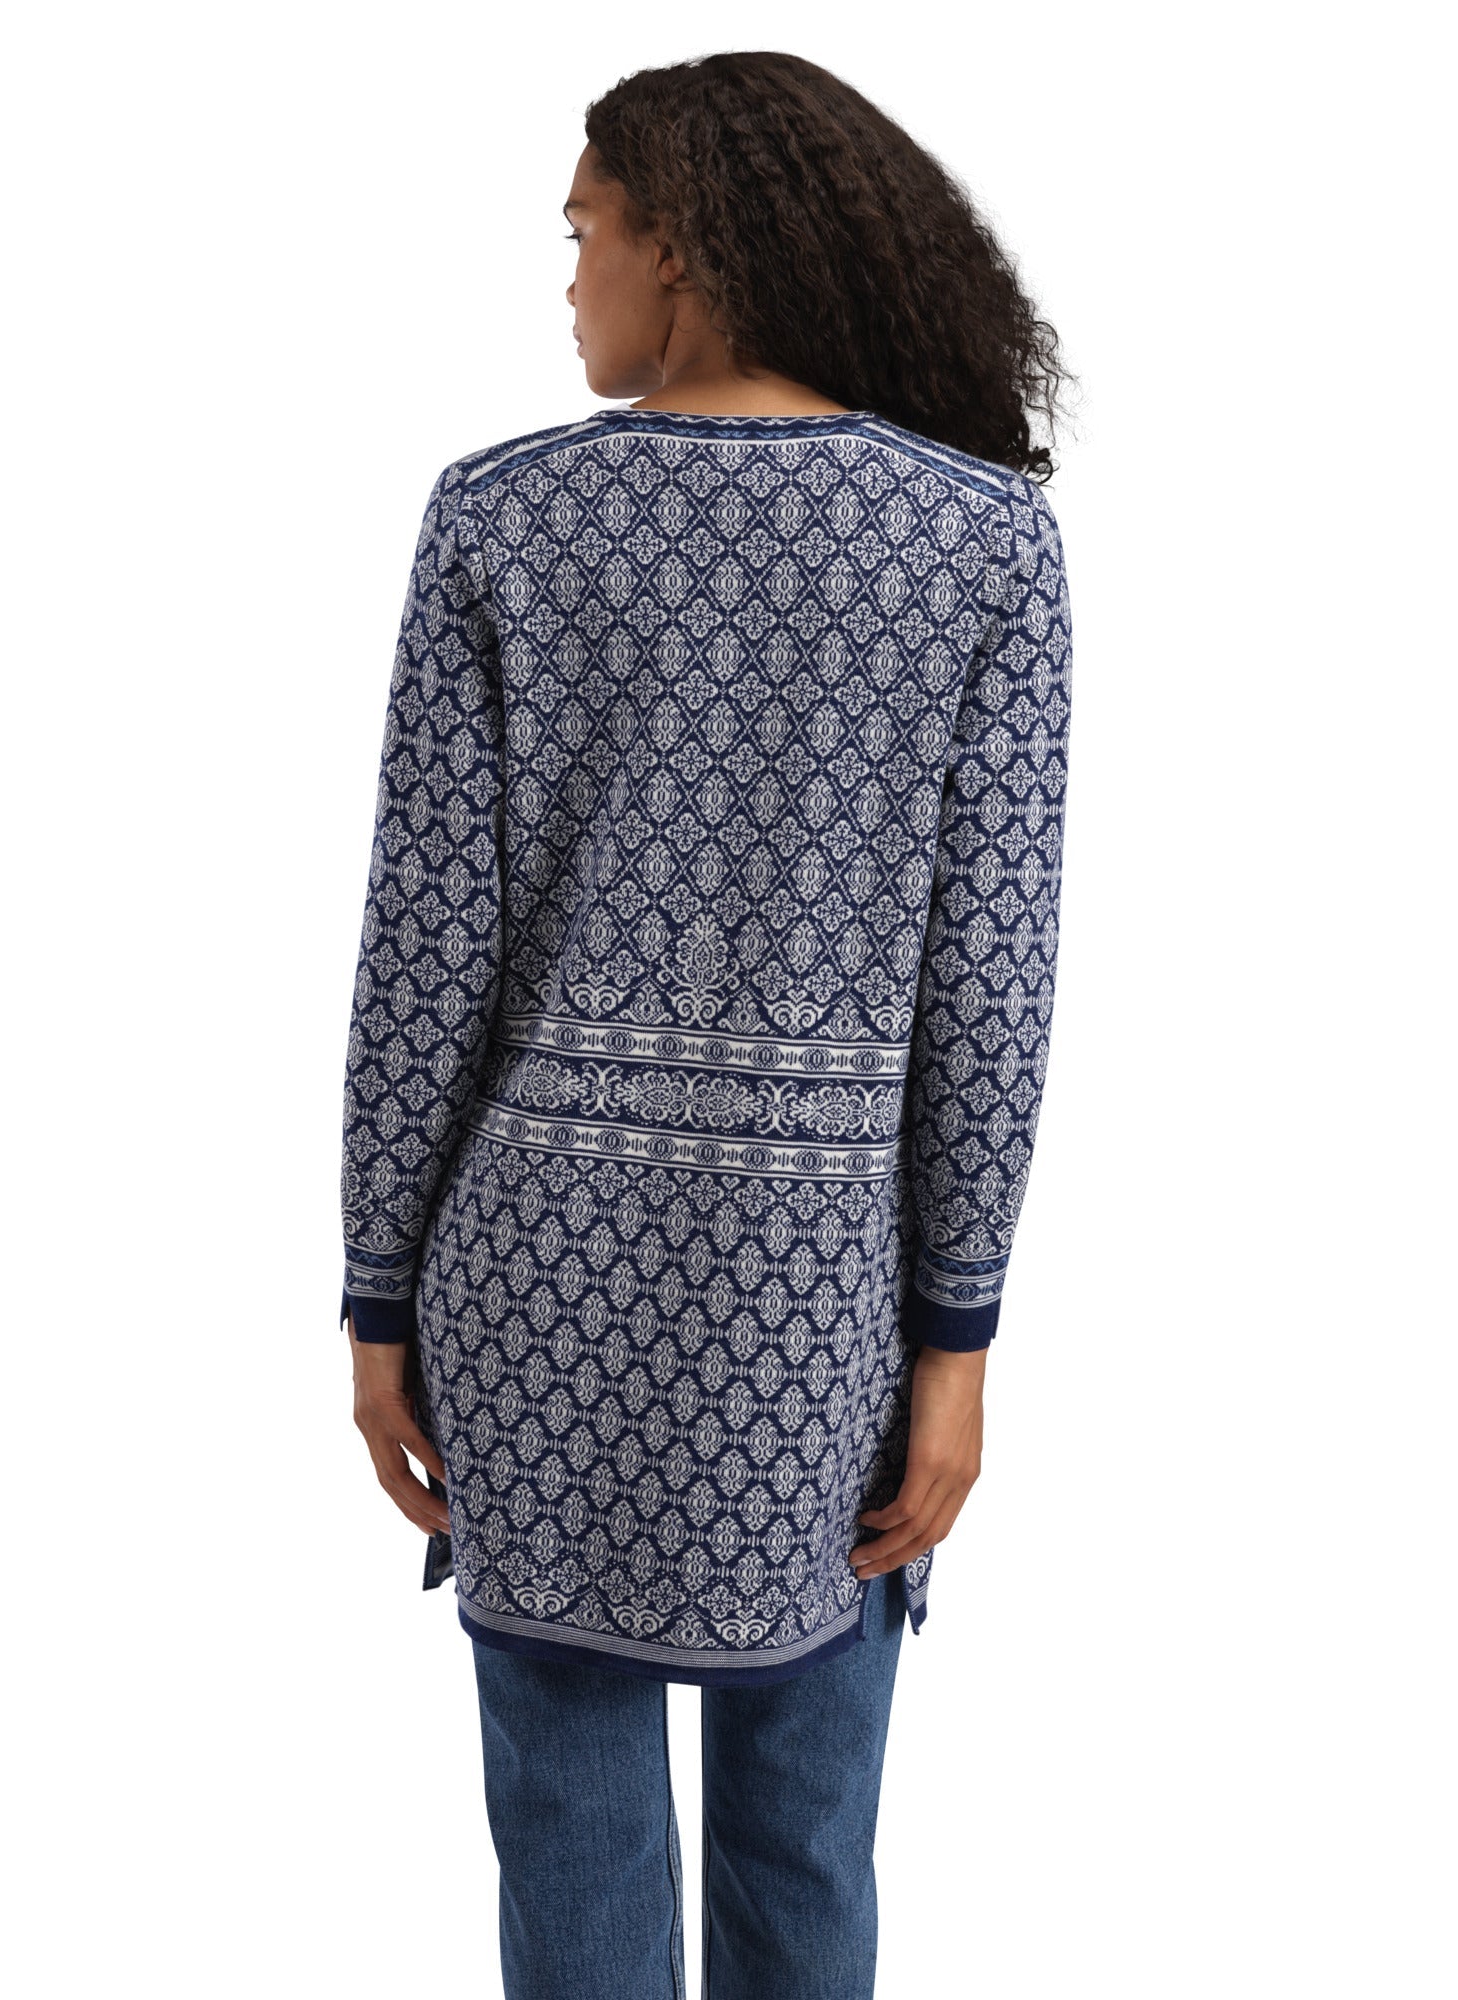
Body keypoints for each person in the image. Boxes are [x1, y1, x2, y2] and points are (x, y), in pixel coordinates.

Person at [338, 49, 1074, 2000]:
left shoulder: (502, 521)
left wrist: (379, 1300)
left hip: (534, 1295)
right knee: (804, 1843)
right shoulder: (980, 544)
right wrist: (957, 1347)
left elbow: (423, 960)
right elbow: (988, 995)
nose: (568, 273)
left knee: (570, 1838)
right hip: (820, 1318)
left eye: (585, 229)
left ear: (681, 244)